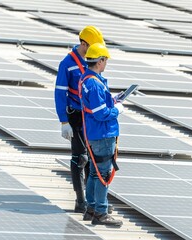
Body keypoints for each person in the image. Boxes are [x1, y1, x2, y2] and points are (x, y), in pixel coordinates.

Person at [55, 26, 105, 213]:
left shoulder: (93, 61)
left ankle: (92, 201)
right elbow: (60, 93)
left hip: (90, 116)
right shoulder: (67, 63)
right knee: (79, 157)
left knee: (93, 158)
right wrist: (64, 121)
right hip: (74, 116)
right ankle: (80, 200)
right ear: (83, 43)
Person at [78, 43, 123, 226]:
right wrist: (117, 110)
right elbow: (101, 114)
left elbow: (95, 105)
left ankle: (91, 209)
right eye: (105, 60)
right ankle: (101, 213)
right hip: (102, 133)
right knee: (102, 173)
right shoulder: (94, 84)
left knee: (94, 174)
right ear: (100, 61)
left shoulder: (86, 79)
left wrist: (113, 100)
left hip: (94, 132)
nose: (106, 64)